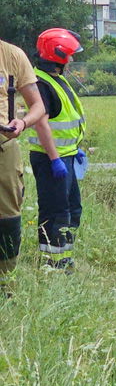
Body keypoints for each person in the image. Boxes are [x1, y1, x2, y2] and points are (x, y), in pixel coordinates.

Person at [27, 28, 86, 271]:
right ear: (58, 56)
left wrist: (75, 150)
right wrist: (54, 159)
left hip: (67, 156)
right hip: (52, 159)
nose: (71, 60)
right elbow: (41, 123)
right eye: (69, 55)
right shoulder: (41, 83)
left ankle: (64, 256)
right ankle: (53, 262)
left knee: (73, 209)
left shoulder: (54, 79)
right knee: (56, 211)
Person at [0, 38, 47, 290]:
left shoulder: (12, 55)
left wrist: (24, 122)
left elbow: (38, 105)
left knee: (7, 219)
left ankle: (6, 286)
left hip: (4, 149)